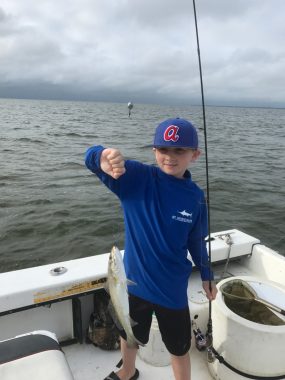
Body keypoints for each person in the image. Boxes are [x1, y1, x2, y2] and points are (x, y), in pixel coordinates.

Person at [85, 117, 217, 380]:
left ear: (195, 154)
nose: (170, 156)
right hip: (134, 284)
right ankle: (128, 369)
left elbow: (196, 240)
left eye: (179, 150)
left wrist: (206, 273)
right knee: (128, 333)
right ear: (154, 151)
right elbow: (91, 159)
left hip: (172, 290)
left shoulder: (195, 197)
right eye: (163, 149)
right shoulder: (134, 178)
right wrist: (101, 156)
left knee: (179, 348)